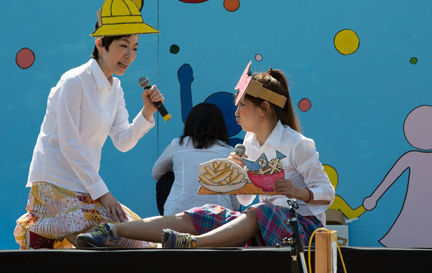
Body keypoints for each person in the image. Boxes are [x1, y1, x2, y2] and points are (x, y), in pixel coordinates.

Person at [76, 62, 335, 248]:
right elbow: (245, 199)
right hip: (264, 224)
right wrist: (240, 175)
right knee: (205, 213)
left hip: (302, 231)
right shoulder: (250, 142)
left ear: (263, 108)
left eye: (242, 106)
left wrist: (299, 192)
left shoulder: (297, 144)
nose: (236, 113)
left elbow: (327, 193)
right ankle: (111, 230)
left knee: (261, 211)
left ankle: (193, 244)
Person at [14, 0, 162, 249]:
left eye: (135, 48)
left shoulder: (115, 89)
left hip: (87, 191)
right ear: (100, 43)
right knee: (119, 236)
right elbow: (70, 145)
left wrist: (147, 112)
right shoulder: (74, 81)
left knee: (141, 240)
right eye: (123, 46)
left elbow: (123, 141)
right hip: (54, 186)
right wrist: (104, 195)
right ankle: (40, 229)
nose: (130, 55)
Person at [152, 103, 240, 215]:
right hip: (218, 219)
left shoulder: (178, 144)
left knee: (166, 178)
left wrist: (182, 171)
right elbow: (235, 202)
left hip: (177, 215)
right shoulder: (229, 151)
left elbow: (155, 173)